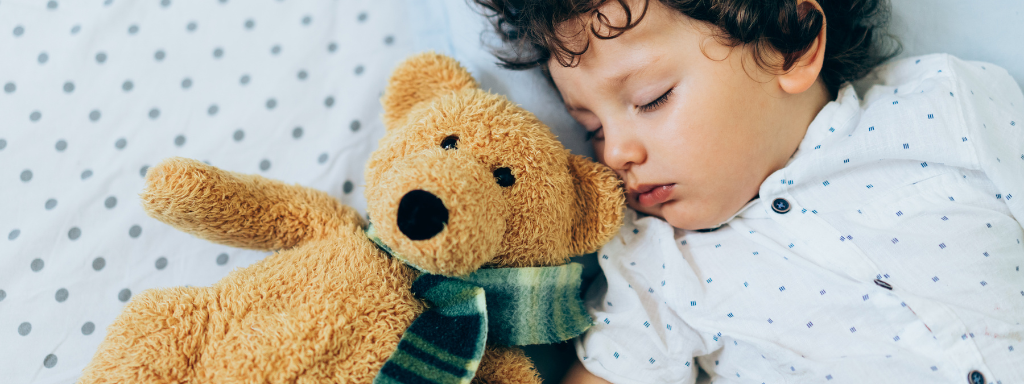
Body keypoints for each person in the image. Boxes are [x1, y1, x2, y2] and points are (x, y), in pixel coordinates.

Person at [473, 0, 1024, 383]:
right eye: (592, 129)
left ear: (792, 44)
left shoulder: (945, 104)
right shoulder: (656, 260)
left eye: (652, 98)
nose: (615, 153)